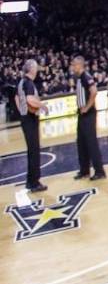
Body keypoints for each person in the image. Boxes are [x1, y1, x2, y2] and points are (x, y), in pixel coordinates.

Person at [71, 56, 106, 181]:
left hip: (88, 114)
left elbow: (94, 91)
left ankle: (100, 171)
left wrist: (86, 107)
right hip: (81, 114)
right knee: (81, 142)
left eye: (74, 64)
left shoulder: (86, 76)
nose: (72, 67)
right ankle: (84, 170)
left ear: (80, 65)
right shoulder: (79, 78)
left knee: (91, 143)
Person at [15, 59, 47, 192]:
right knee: (34, 151)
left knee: (31, 151)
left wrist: (22, 111)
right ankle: (34, 182)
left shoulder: (22, 81)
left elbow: (17, 98)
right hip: (30, 119)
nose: (37, 69)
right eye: (36, 67)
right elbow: (29, 99)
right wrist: (42, 106)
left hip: (25, 119)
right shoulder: (28, 83)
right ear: (32, 69)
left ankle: (30, 181)